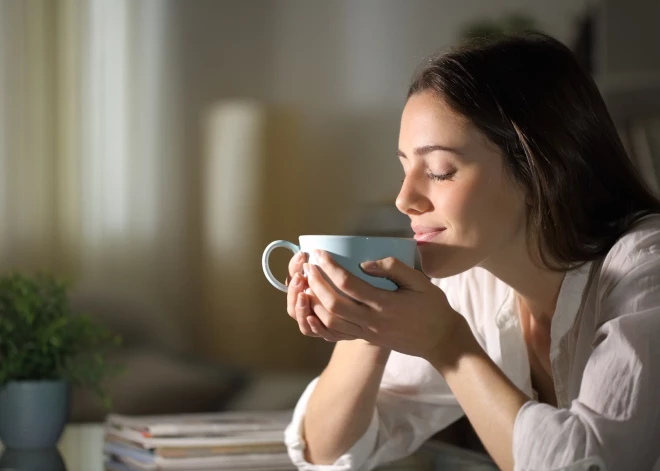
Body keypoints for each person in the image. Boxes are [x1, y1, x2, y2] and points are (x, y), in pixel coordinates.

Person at [282, 32, 660, 471]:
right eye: (405, 168)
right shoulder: (473, 277)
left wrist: (449, 345)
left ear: (540, 171)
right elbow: (323, 451)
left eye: (440, 171)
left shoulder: (645, 272)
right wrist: (367, 322)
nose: (405, 200)